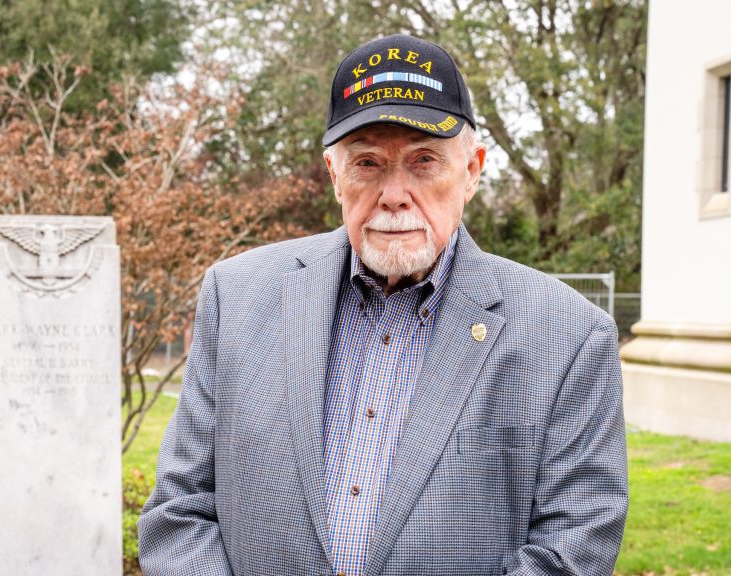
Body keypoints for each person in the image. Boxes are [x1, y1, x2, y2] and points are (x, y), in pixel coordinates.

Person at [137, 34, 628, 576]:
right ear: (334, 175)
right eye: (367, 162)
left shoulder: (570, 336)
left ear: (471, 171)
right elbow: (180, 512)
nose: (394, 192)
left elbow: (571, 550)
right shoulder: (238, 296)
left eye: (424, 161)